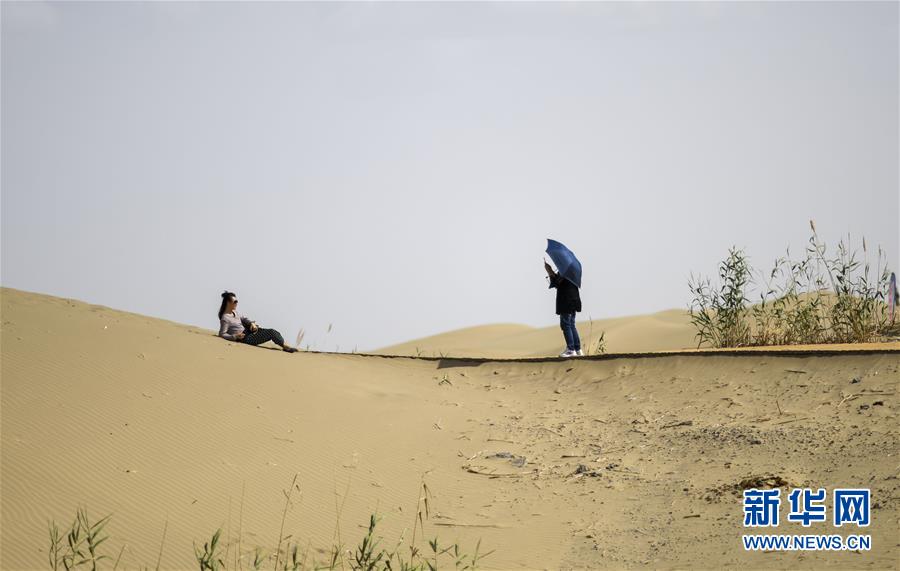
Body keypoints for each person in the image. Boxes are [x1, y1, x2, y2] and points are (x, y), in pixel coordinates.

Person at [217, 291, 298, 353]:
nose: (237, 303)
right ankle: (285, 347)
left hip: (249, 332)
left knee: (274, 331)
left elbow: (245, 319)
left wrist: (251, 323)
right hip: (245, 338)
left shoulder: (235, 312)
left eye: (237, 301)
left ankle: (285, 345)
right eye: (235, 301)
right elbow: (222, 334)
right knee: (271, 333)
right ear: (228, 302)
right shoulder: (225, 318)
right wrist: (235, 336)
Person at [544, 260, 582, 357]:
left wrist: (549, 270)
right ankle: (578, 349)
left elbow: (557, 283)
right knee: (571, 324)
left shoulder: (564, 271)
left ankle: (571, 349)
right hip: (574, 300)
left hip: (567, 301)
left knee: (566, 325)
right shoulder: (572, 270)